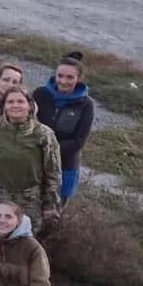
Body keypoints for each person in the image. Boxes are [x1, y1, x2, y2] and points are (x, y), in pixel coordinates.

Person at [0, 87, 62, 234]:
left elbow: (53, 173)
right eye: (10, 101)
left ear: (30, 106)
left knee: (24, 241)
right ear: (4, 106)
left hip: (29, 198)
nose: (15, 105)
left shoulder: (44, 134)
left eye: (20, 101)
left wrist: (51, 204)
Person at [33, 53, 95, 209]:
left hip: (64, 166)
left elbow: (79, 141)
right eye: (60, 76)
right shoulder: (40, 94)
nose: (63, 81)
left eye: (70, 77)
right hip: (34, 162)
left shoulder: (86, 104)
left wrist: (48, 149)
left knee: (54, 212)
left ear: (78, 78)